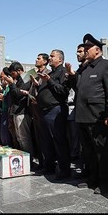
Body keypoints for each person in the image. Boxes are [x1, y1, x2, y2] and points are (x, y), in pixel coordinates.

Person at [72, 33, 108, 195]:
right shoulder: (85, 68)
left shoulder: (107, 65)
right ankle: (93, 179)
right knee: (89, 151)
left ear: (97, 50)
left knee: (103, 152)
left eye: (87, 48)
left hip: (98, 116)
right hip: (83, 116)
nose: (84, 51)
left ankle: (106, 183)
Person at [34, 49, 71, 180]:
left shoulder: (62, 72)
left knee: (59, 141)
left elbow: (63, 91)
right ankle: (49, 167)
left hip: (56, 110)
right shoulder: (51, 72)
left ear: (60, 59)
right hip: (45, 111)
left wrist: (49, 80)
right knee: (47, 141)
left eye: (52, 56)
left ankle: (64, 170)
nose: (50, 58)